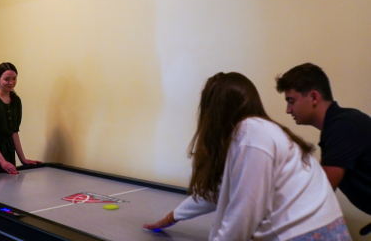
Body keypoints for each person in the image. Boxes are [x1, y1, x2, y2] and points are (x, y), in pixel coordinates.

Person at [143, 72, 350, 240]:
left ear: (214, 110)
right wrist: (172, 217)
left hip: (307, 235)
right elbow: (218, 193)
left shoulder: (251, 133)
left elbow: (242, 215)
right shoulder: (255, 132)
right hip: (324, 230)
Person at [276, 63, 371, 226]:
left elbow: (321, 190)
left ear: (314, 97)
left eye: (291, 101)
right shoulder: (337, 126)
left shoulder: (343, 126)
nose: (288, 110)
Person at [0, 62, 40, 173]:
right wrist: (2, 161)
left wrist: (23, 159)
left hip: (9, 153)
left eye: (14, 78)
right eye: (7, 79)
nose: (11, 83)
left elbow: (14, 133)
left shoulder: (16, 101)